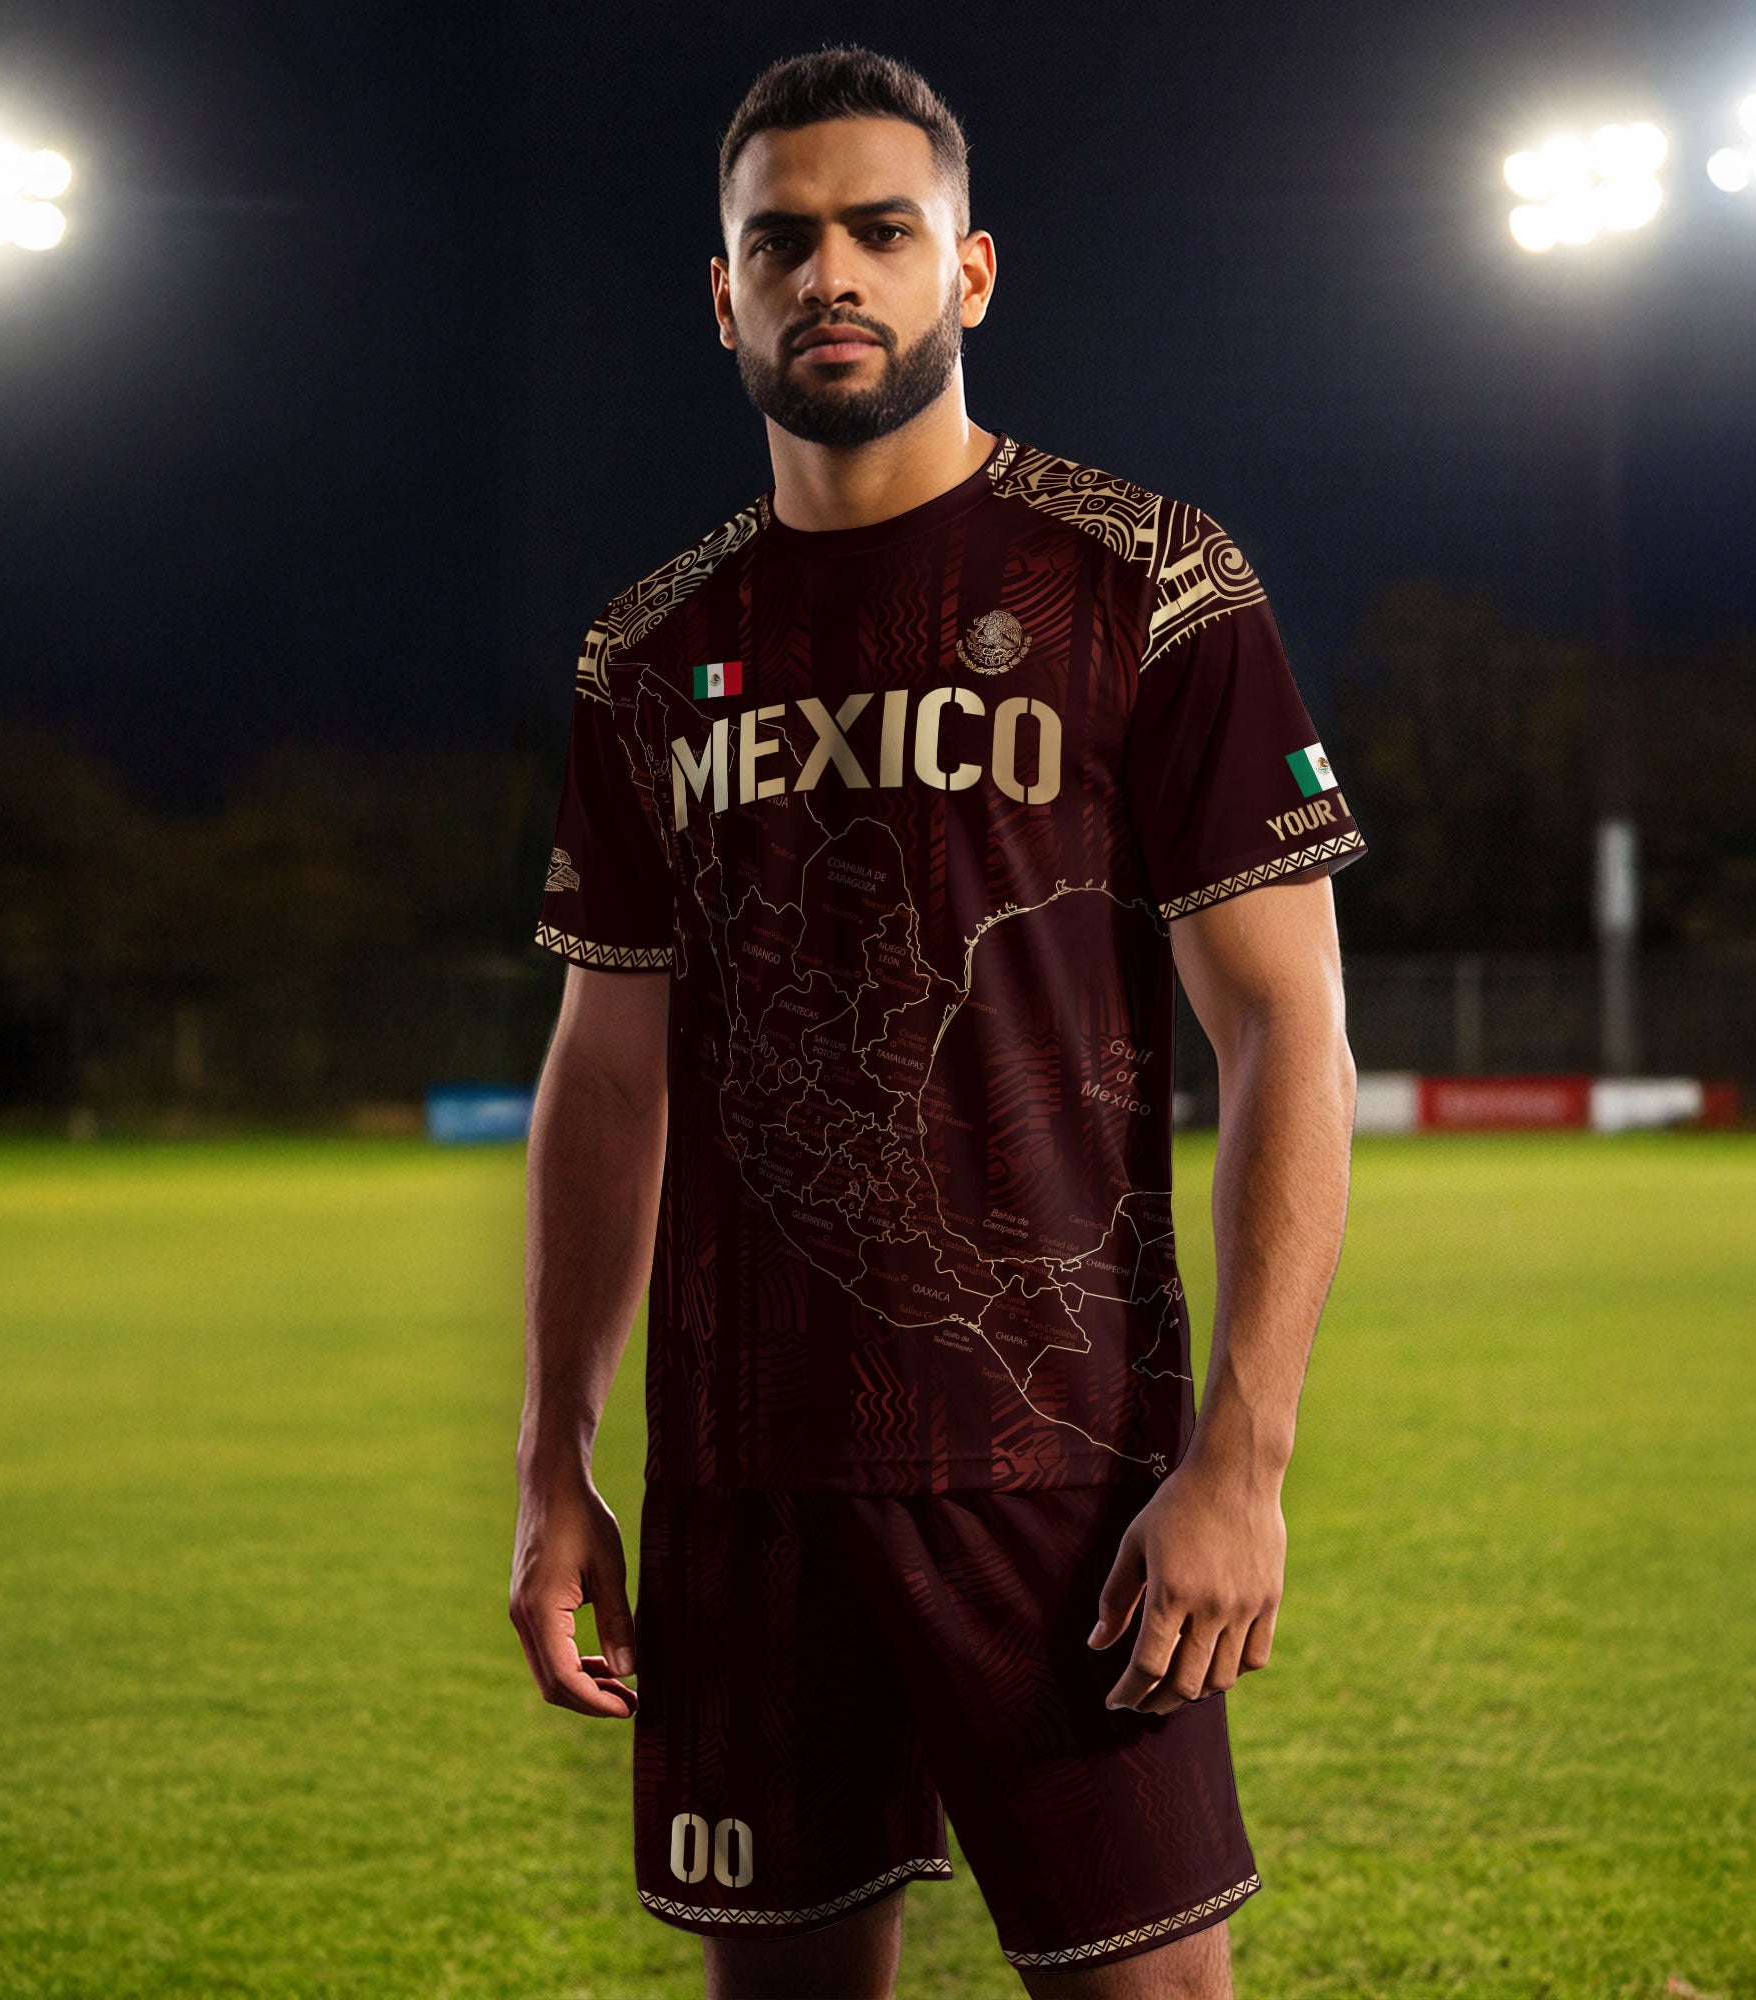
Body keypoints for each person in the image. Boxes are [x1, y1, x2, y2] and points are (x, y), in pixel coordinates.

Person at [509, 46, 1365, 2000]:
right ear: (722, 296)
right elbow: (606, 1073)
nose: (832, 274)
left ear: (966, 273)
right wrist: (560, 1464)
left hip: (1058, 1471)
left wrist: (1242, 1458)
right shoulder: (645, 656)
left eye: (879, 232)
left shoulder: (1146, 583)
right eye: (782, 240)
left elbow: (1288, 1037)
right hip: (741, 1486)